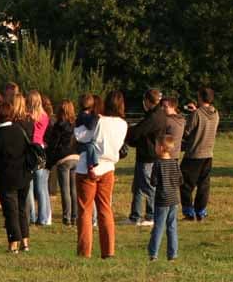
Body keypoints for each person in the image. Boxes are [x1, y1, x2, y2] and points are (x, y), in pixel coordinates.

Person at [75, 91, 129, 259]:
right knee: (105, 209)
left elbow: (82, 137)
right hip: (109, 167)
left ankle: (85, 251)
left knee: (85, 210)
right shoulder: (123, 124)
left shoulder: (99, 120)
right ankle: (108, 250)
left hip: (88, 167)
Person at [0, 100, 32, 253]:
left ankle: (13, 243)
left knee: (10, 211)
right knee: (22, 209)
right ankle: (25, 242)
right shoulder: (20, 130)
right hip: (24, 175)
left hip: (6, 178)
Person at [125, 88, 167, 226]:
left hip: (148, 156)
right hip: (145, 155)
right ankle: (135, 216)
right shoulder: (156, 114)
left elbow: (138, 131)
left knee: (149, 187)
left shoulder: (154, 117)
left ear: (148, 101)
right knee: (137, 187)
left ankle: (152, 215)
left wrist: (127, 131)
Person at [180, 87, 219, 221]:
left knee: (185, 184)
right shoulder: (215, 113)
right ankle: (201, 211)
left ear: (200, 97)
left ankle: (189, 212)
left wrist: (190, 115)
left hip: (194, 154)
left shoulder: (196, 114)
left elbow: (187, 132)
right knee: (203, 185)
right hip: (208, 154)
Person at [148, 135, 183, 262]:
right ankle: (172, 254)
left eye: (156, 145)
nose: (155, 148)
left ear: (161, 148)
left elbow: (154, 181)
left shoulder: (158, 164)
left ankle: (153, 253)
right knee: (172, 226)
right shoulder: (175, 163)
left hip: (162, 199)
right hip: (174, 198)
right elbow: (180, 180)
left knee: (159, 226)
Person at [45, 100, 79, 226]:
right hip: (76, 157)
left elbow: (53, 144)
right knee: (74, 190)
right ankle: (75, 216)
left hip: (63, 158)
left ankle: (67, 217)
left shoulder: (59, 125)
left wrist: (49, 159)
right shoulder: (75, 124)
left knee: (65, 189)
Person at [26, 90, 51, 227]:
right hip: (40, 149)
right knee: (41, 187)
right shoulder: (45, 116)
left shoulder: (28, 117)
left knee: (29, 186)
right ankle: (43, 217)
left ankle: (32, 215)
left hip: (30, 149)